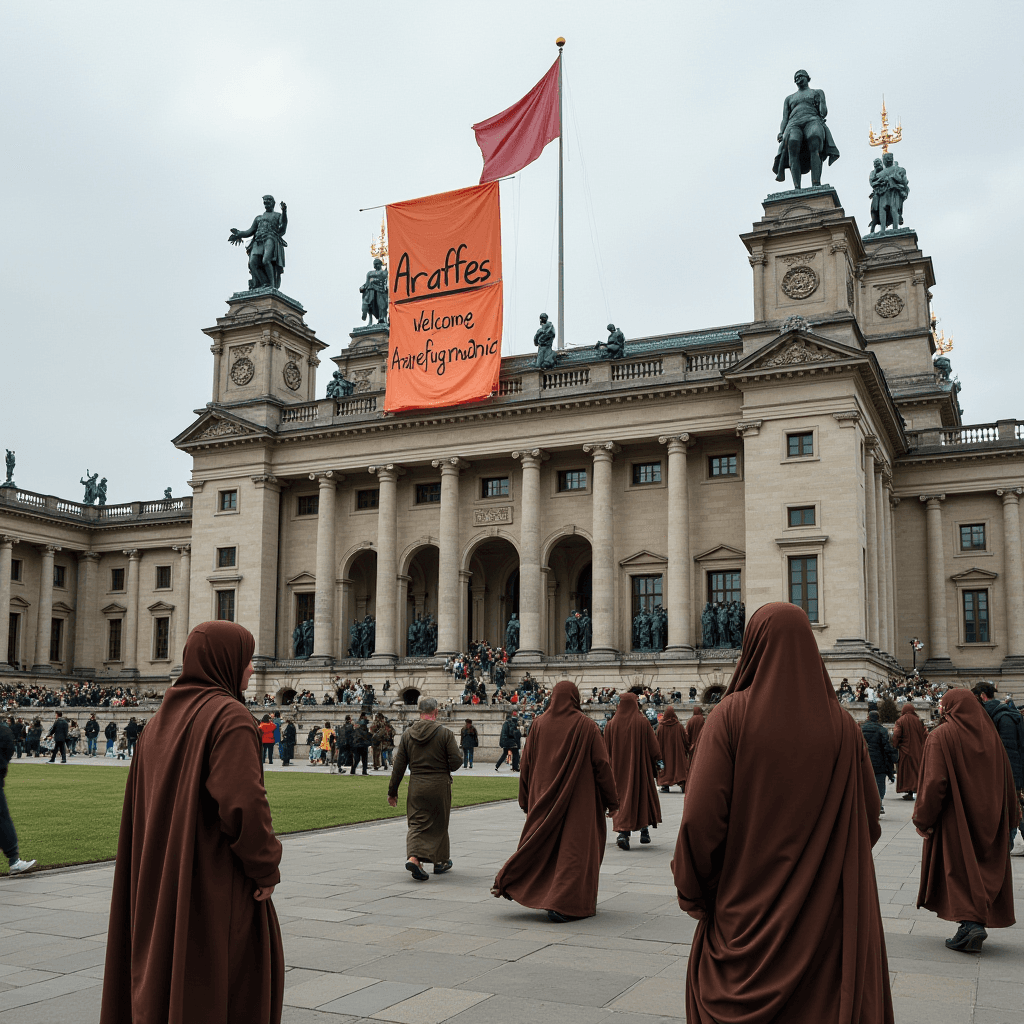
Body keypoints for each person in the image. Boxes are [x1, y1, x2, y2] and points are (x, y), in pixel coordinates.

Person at [672, 603, 892, 1024]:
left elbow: (700, 824)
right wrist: (825, 869)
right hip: (827, 920)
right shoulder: (844, 727)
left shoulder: (730, 716)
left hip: (744, 915)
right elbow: (869, 818)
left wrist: (694, 892)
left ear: (752, 647)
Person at [100, 620, 284, 1024]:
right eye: (247, 659)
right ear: (225, 660)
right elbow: (245, 806)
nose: (252, 668)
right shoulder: (231, 716)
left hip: (161, 875)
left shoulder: (157, 722)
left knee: (166, 971)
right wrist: (266, 866)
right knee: (228, 984)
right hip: (214, 879)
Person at [491, 680, 618, 922]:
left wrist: (525, 798)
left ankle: (522, 886)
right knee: (574, 851)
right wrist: (612, 801)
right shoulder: (587, 726)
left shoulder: (538, 725)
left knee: (542, 847)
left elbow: (526, 763)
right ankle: (563, 903)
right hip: (579, 800)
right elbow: (602, 766)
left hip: (542, 796)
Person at [913, 688, 1019, 953]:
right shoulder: (991, 737)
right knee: (980, 869)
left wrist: (923, 819)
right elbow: (1008, 778)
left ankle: (971, 925)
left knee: (961, 869)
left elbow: (935, 782)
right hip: (991, 818)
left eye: (941, 703)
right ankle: (971, 924)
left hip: (956, 817)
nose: (939, 708)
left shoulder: (941, 735)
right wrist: (1012, 818)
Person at [387, 697, 462, 881]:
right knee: (439, 822)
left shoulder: (407, 735)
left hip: (417, 785)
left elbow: (399, 766)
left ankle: (415, 858)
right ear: (435, 712)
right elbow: (456, 762)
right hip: (439, 784)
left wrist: (392, 791)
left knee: (416, 823)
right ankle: (440, 861)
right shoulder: (445, 734)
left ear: (419, 712)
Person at [604, 692, 662, 850]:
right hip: (640, 769)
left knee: (621, 799)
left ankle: (623, 832)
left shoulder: (611, 725)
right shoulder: (642, 722)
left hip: (617, 771)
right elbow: (653, 745)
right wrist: (658, 761)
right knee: (642, 796)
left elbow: (605, 750)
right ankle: (644, 830)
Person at [972, 681, 1023, 849]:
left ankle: (1005, 846)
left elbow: (1008, 752)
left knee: (1012, 810)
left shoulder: (1003, 717)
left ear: (982, 697)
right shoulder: (997, 715)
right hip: (1005, 774)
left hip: (1009, 774)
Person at [1, 718, 36, 876]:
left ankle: (14, 859)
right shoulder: (4, 731)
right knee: (2, 818)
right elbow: (7, 746)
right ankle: (14, 860)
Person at [860, 710, 896, 815]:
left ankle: (866, 805)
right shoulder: (882, 730)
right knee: (879, 784)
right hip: (879, 762)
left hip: (864, 761)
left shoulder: (860, 729)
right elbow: (887, 748)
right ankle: (878, 803)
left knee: (865, 784)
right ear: (878, 719)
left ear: (868, 718)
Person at [892, 702, 927, 800]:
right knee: (916, 770)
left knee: (907, 772)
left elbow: (896, 735)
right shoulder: (919, 721)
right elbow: (925, 734)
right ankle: (917, 790)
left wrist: (895, 745)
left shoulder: (901, 720)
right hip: (918, 751)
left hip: (905, 751)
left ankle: (909, 791)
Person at [656, 705, 689, 794]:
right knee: (679, 767)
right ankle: (682, 784)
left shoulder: (661, 727)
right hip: (678, 752)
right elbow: (685, 739)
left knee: (666, 768)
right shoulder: (679, 726)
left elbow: (657, 741)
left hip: (665, 753)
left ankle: (665, 786)